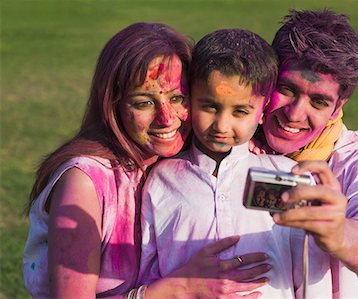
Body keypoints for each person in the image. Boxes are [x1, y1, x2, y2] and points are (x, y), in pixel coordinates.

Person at [23, 22, 267, 298]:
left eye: (178, 97)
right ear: (112, 104)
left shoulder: (169, 157)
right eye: (143, 103)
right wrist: (182, 287)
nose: (167, 118)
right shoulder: (84, 183)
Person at [138, 28, 312, 298]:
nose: (221, 126)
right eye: (209, 106)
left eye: (240, 111)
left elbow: (307, 269)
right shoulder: (161, 179)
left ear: (264, 110)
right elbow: (148, 268)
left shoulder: (286, 176)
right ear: (190, 99)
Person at [251, 9, 358, 298]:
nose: (295, 114)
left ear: (338, 107)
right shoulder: (232, 142)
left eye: (319, 101)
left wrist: (340, 233)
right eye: (287, 89)